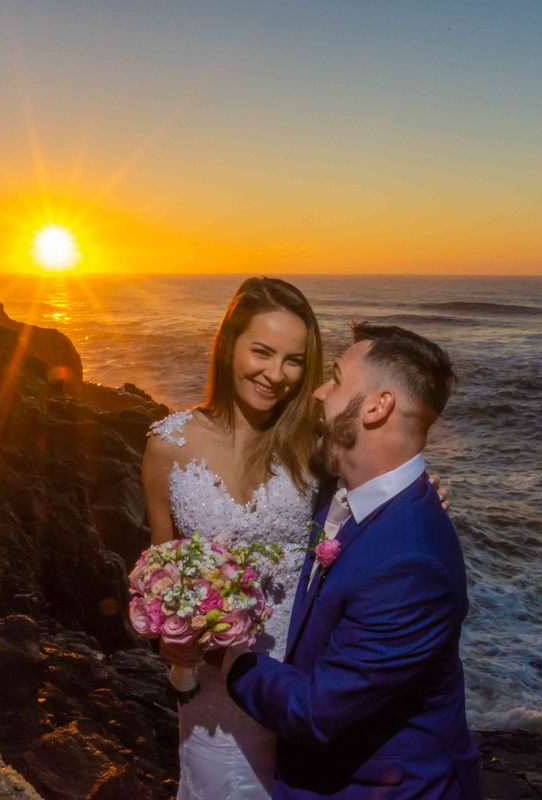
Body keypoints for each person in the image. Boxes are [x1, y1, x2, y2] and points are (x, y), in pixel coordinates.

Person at [142, 279, 450, 800]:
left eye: (294, 361)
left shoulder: (318, 438)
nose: (276, 375)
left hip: (305, 674)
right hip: (217, 690)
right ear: (228, 345)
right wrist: (170, 637)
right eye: (262, 351)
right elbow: (159, 572)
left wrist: (421, 493)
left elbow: (373, 494)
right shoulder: (168, 445)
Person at [225, 322, 480, 799]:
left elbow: (319, 712)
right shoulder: (343, 490)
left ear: (378, 406)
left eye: (337, 378)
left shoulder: (410, 563)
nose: (319, 391)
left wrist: (228, 659)